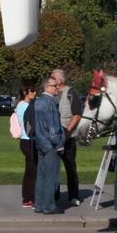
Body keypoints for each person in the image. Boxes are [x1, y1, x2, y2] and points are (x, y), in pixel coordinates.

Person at [32, 77, 65, 214]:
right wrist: (59, 144)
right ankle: (49, 206)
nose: (57, 88)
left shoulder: (37, 102)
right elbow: (53, 127)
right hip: (50, 144)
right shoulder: (50, 103)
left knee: (41, 175)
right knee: (51, 176)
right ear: (47, 87)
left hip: (40, 142)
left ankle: (39, 204)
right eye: (54, 86)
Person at [51, 68, 83, 206]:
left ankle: (73, 196)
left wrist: (67, 131)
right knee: (52, 168)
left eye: (52, 77)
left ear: (60, 80)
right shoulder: (50, 93)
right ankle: (54, 195)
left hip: (67, 138)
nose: (50, 79)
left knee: (70, 167)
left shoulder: (71, 93)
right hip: (52, 138)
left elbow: (77, 114)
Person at [15, 83, 38, 208]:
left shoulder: (24, 105)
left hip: (27, 141)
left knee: (30, 170)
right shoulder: (24, 106)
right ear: (25, 92)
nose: (35, 93)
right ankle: (30, 198)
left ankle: (28, 198)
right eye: (32, 91)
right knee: (32, 170)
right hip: (28, 140)